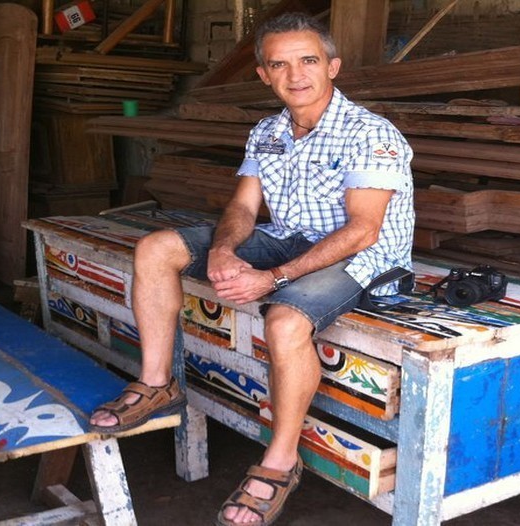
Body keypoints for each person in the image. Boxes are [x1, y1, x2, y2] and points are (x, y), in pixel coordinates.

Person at [89, 11, 414, 526]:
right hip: (287, 239)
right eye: (279, 64)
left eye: (308, 60)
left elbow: (362, 231)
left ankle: (281, 460)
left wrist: (273, 279)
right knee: (156, 248)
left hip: (365, 257)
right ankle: (158, 384)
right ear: (263, 74)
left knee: (284, 320)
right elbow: (242, 209)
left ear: (333, 67)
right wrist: (222, 251)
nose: (295, 75)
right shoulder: (266, 131)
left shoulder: (371, 133)